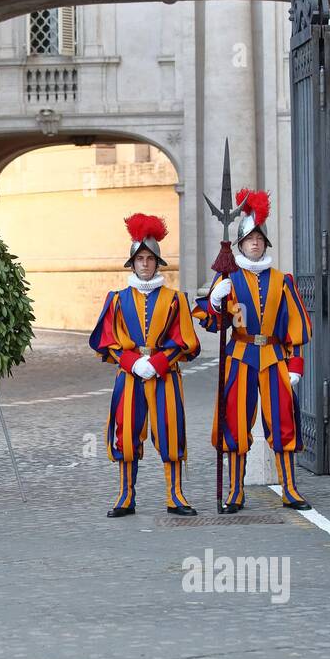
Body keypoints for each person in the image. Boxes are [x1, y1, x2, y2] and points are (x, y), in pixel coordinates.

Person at [194, 189, 313, 511]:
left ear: (265, 243)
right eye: (250, 240)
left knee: (283, 420)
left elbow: (296, 325)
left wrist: (296, 365)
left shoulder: (282, 280)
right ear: (241, 244)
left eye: (260, 239)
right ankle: (235, 490)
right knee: (235, 421)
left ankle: (289, 488)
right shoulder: (228, 277)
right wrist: (217, 300)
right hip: (240, 357)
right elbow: (213, 323)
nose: (255, 244)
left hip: (275, 358)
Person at [89, 214, 201, 517]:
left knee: (171, 430)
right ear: (132, 263)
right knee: (126, 434)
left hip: (165, 375)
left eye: (150, 258)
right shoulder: (117, 300)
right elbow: (108, 341)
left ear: (157, 262)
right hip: (130, 375)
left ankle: (175, 495)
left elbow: (185, 341)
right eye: (139, 258)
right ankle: (126, 496)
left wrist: (159, 362)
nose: (145, 264)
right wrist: (133, 362)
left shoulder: (176, 299)